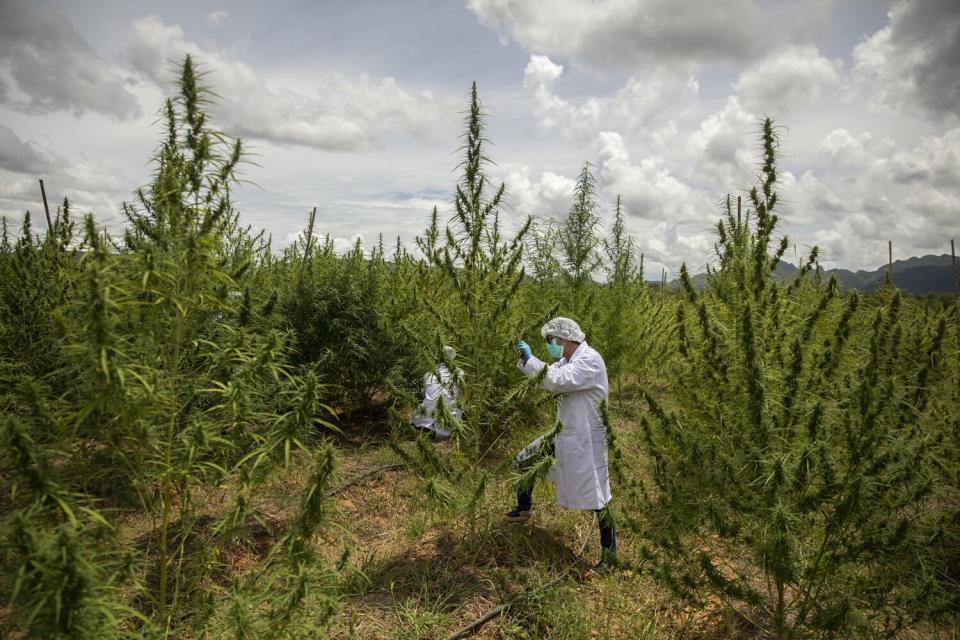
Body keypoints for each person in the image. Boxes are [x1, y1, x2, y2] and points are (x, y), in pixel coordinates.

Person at [510, 317, 616, 572]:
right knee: (526, 460)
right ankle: (524, 509)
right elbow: (552, 374)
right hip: (566, 434)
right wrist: (527, 361)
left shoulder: (589, 359)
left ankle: (610, 557)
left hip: (585, 439)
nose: (551, 345)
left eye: (552, 340)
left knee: (597, 497)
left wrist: (531, 358)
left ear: (566, 339)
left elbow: (558, 380)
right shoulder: (569, 360)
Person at [410, 346, 464, 441]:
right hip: (450, 416)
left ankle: (427, 426)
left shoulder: (428, 373)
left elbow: (425, 394)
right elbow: (461, 394)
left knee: (425, 405)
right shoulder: (460, 373)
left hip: (428, 414)